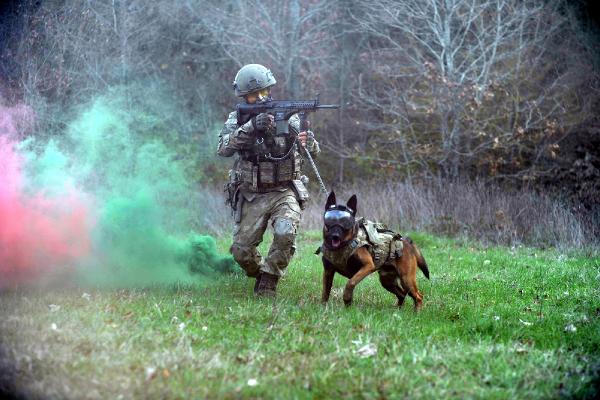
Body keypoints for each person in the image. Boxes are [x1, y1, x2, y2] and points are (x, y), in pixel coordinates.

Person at [217, 64, 320, 297]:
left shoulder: (288, 116)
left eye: (265, 92)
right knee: (241, 252)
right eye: (255, 95)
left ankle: (269, 279)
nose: (261, 97)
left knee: (285, 231)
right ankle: (259, 271)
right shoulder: (238, 119)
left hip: (285, 190)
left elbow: (313, 154)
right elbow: (223, 148)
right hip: (252, 193)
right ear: (245, 97)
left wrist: (309, 141)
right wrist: (251, 127)